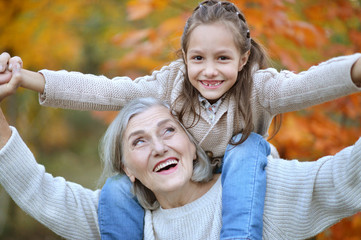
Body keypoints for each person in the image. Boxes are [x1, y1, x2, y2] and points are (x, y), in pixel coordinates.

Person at [1, 0, 361, 239]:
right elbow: (103, 93)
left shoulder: (261, 98)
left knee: (247, 148)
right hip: (149, 188)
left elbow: (309, 86)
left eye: (223, 58)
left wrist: (355, 70)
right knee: (113, 192)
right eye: (138, 140)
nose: (209, 72)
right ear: (127, 165)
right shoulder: (168, 89)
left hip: (243, 172)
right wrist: (26, 78)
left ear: (243, 57)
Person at [1, 97, 361, 240]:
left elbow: (345, 176)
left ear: (192, 144)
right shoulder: (119, 218)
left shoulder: (258, 192)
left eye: (168, 130)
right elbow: (37, 189)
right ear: (128, 169)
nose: (159, 147)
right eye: (139, 141)